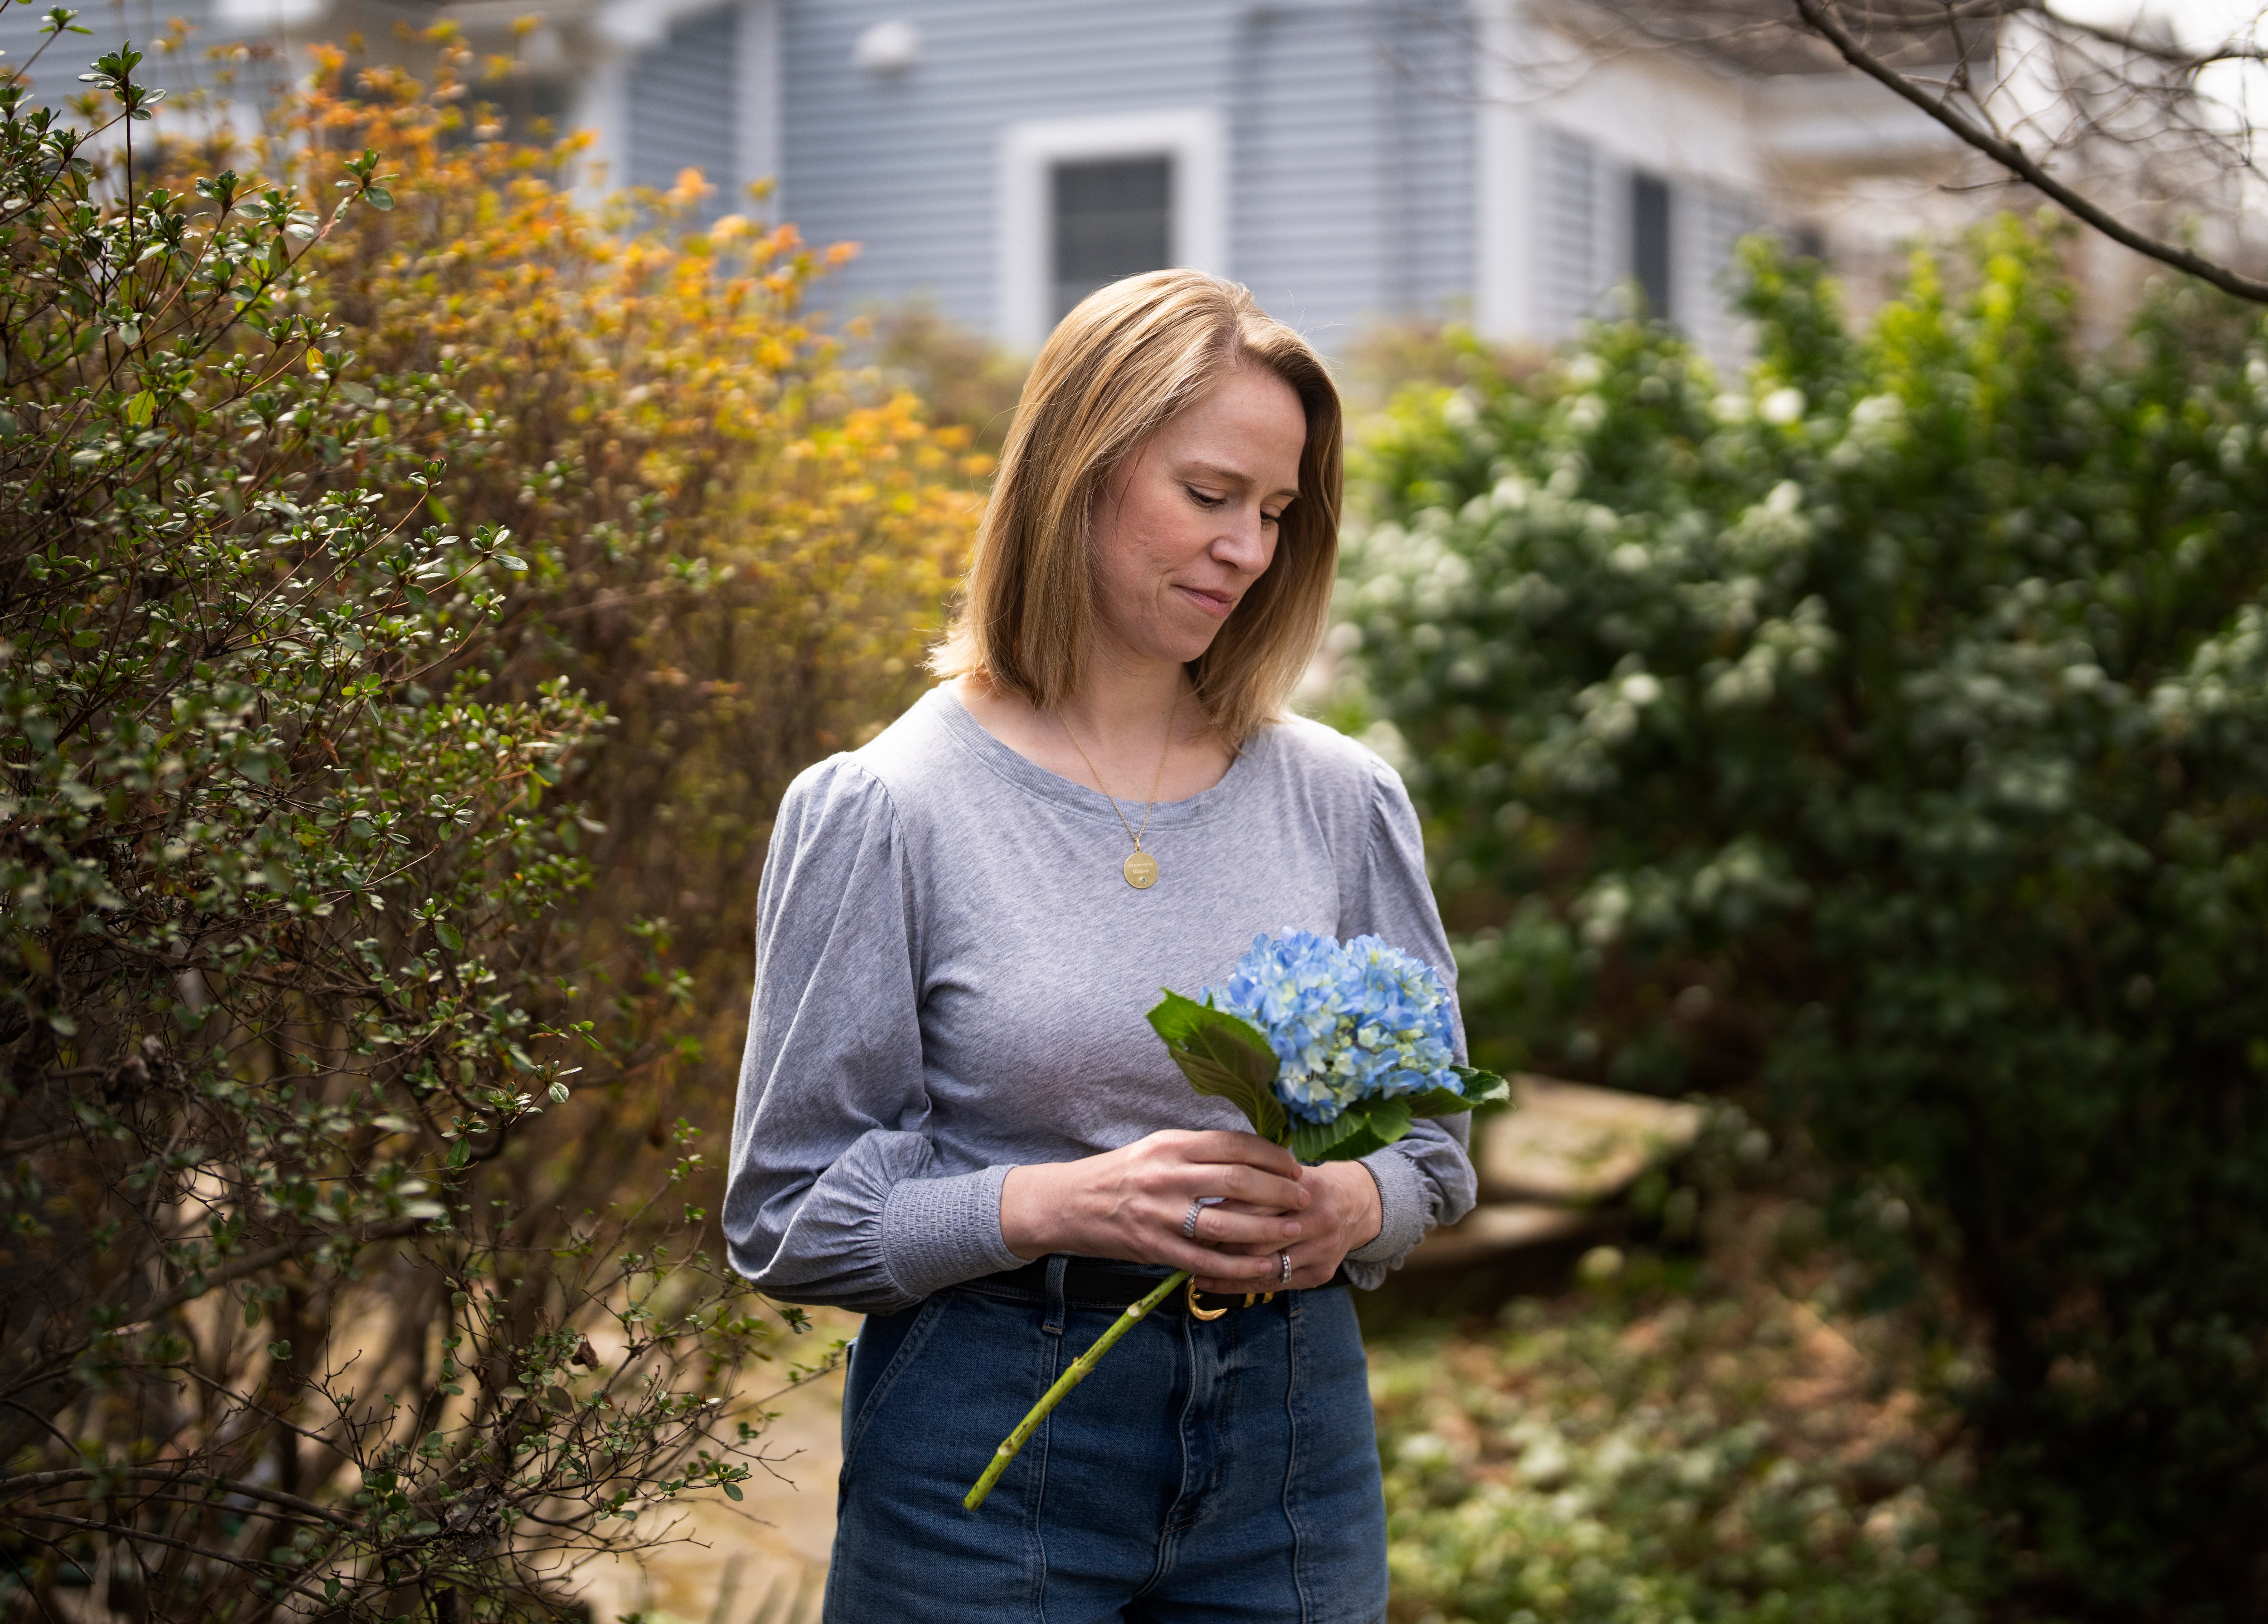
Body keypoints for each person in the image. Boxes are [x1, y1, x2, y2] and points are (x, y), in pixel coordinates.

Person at [722, 268, 1477, 1623]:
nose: (1248, 549)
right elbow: (786, 1216)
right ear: (1078, 467)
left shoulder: (1343, 800)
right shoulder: (892, 808)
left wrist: (1350, 1205)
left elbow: (1434, 1155)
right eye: (1209, 495)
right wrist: (1059, 1204)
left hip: (1292, 1446)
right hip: (985, 1440)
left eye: (1277, 512)